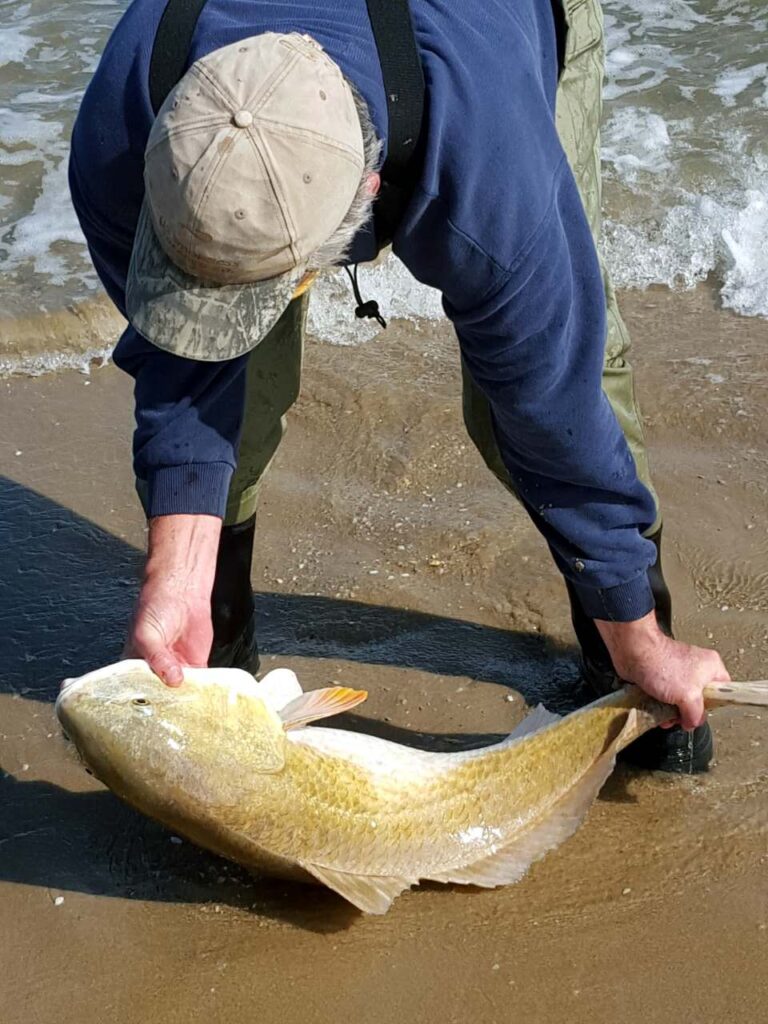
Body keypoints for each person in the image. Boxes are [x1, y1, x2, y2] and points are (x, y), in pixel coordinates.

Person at [69, 0, 730, 774]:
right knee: (237, 410)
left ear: (369, 192)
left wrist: (640, 636)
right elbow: (180, 360)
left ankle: (628, 673)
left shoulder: (492, 177)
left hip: (491, 35)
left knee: (555, 384)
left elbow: (556, 407)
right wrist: (172, 575)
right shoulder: (124, 129)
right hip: (312, 102)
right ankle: (218, 667)